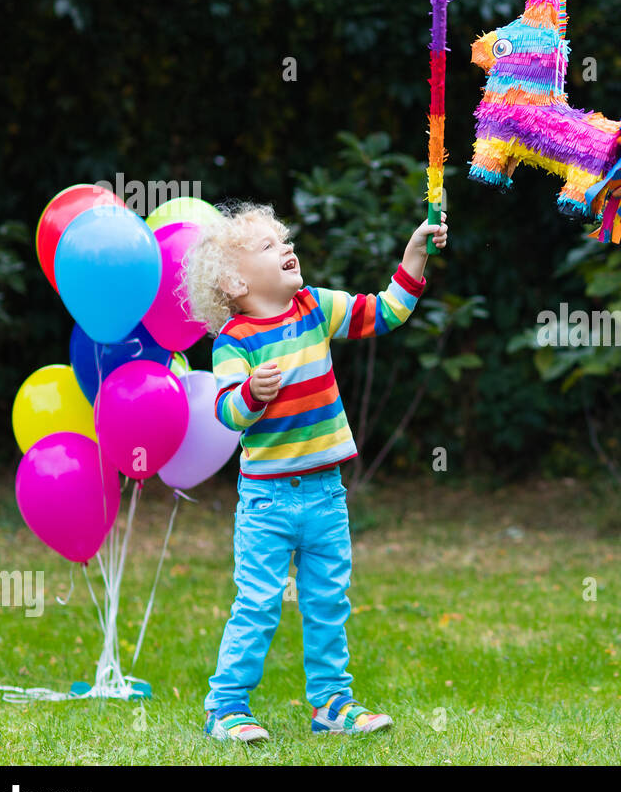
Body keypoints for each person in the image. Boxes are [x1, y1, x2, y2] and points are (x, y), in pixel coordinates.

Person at [182, 200, 447, 743]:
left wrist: (413, 256)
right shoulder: (234, 341)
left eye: (285, 240)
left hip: (327, 495)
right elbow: (227, 410)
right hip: (267, 503)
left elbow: (387, 311)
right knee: (256, 604)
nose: (287, 248)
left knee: (328, 603)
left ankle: (332, 704)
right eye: (269, 245)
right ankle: (226, 706)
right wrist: (252, 395)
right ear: (234, 281)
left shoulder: (316, 308)